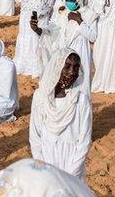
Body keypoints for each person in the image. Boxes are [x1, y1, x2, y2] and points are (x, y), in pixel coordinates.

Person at [29, 49, 92, 179]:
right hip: (46, 159)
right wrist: (42, 166)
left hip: (73, 162)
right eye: (67, 67)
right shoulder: (41, 97)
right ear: (57, 67)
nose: (72, 72)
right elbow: (35, 136)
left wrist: (72, 173)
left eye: (76, 68)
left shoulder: (81, 100)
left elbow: (84, 140)